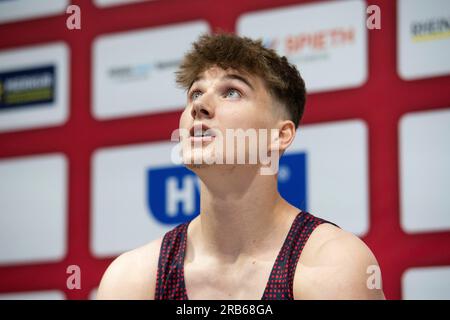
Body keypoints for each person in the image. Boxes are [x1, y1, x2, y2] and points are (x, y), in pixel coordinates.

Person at [96, 32, 386, 300]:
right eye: (195, 93)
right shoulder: (132, 281)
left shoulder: (333, 267)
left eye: (232, 91)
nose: (200, 106)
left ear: (280, 135)